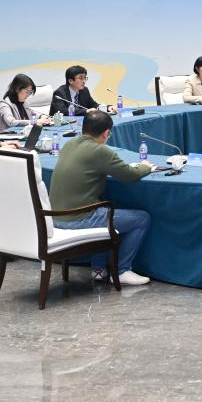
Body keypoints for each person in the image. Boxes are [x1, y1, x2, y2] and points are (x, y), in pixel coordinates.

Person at [49, 110, 156, 286]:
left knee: (102, 209)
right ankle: (121, 271)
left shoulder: (69, 144)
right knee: (141, 219)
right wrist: (146, 167)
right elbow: (130, 175)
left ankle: (98, 269)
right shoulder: (100, 151)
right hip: (77, 219)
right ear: (106, 133)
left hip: (54, 217)